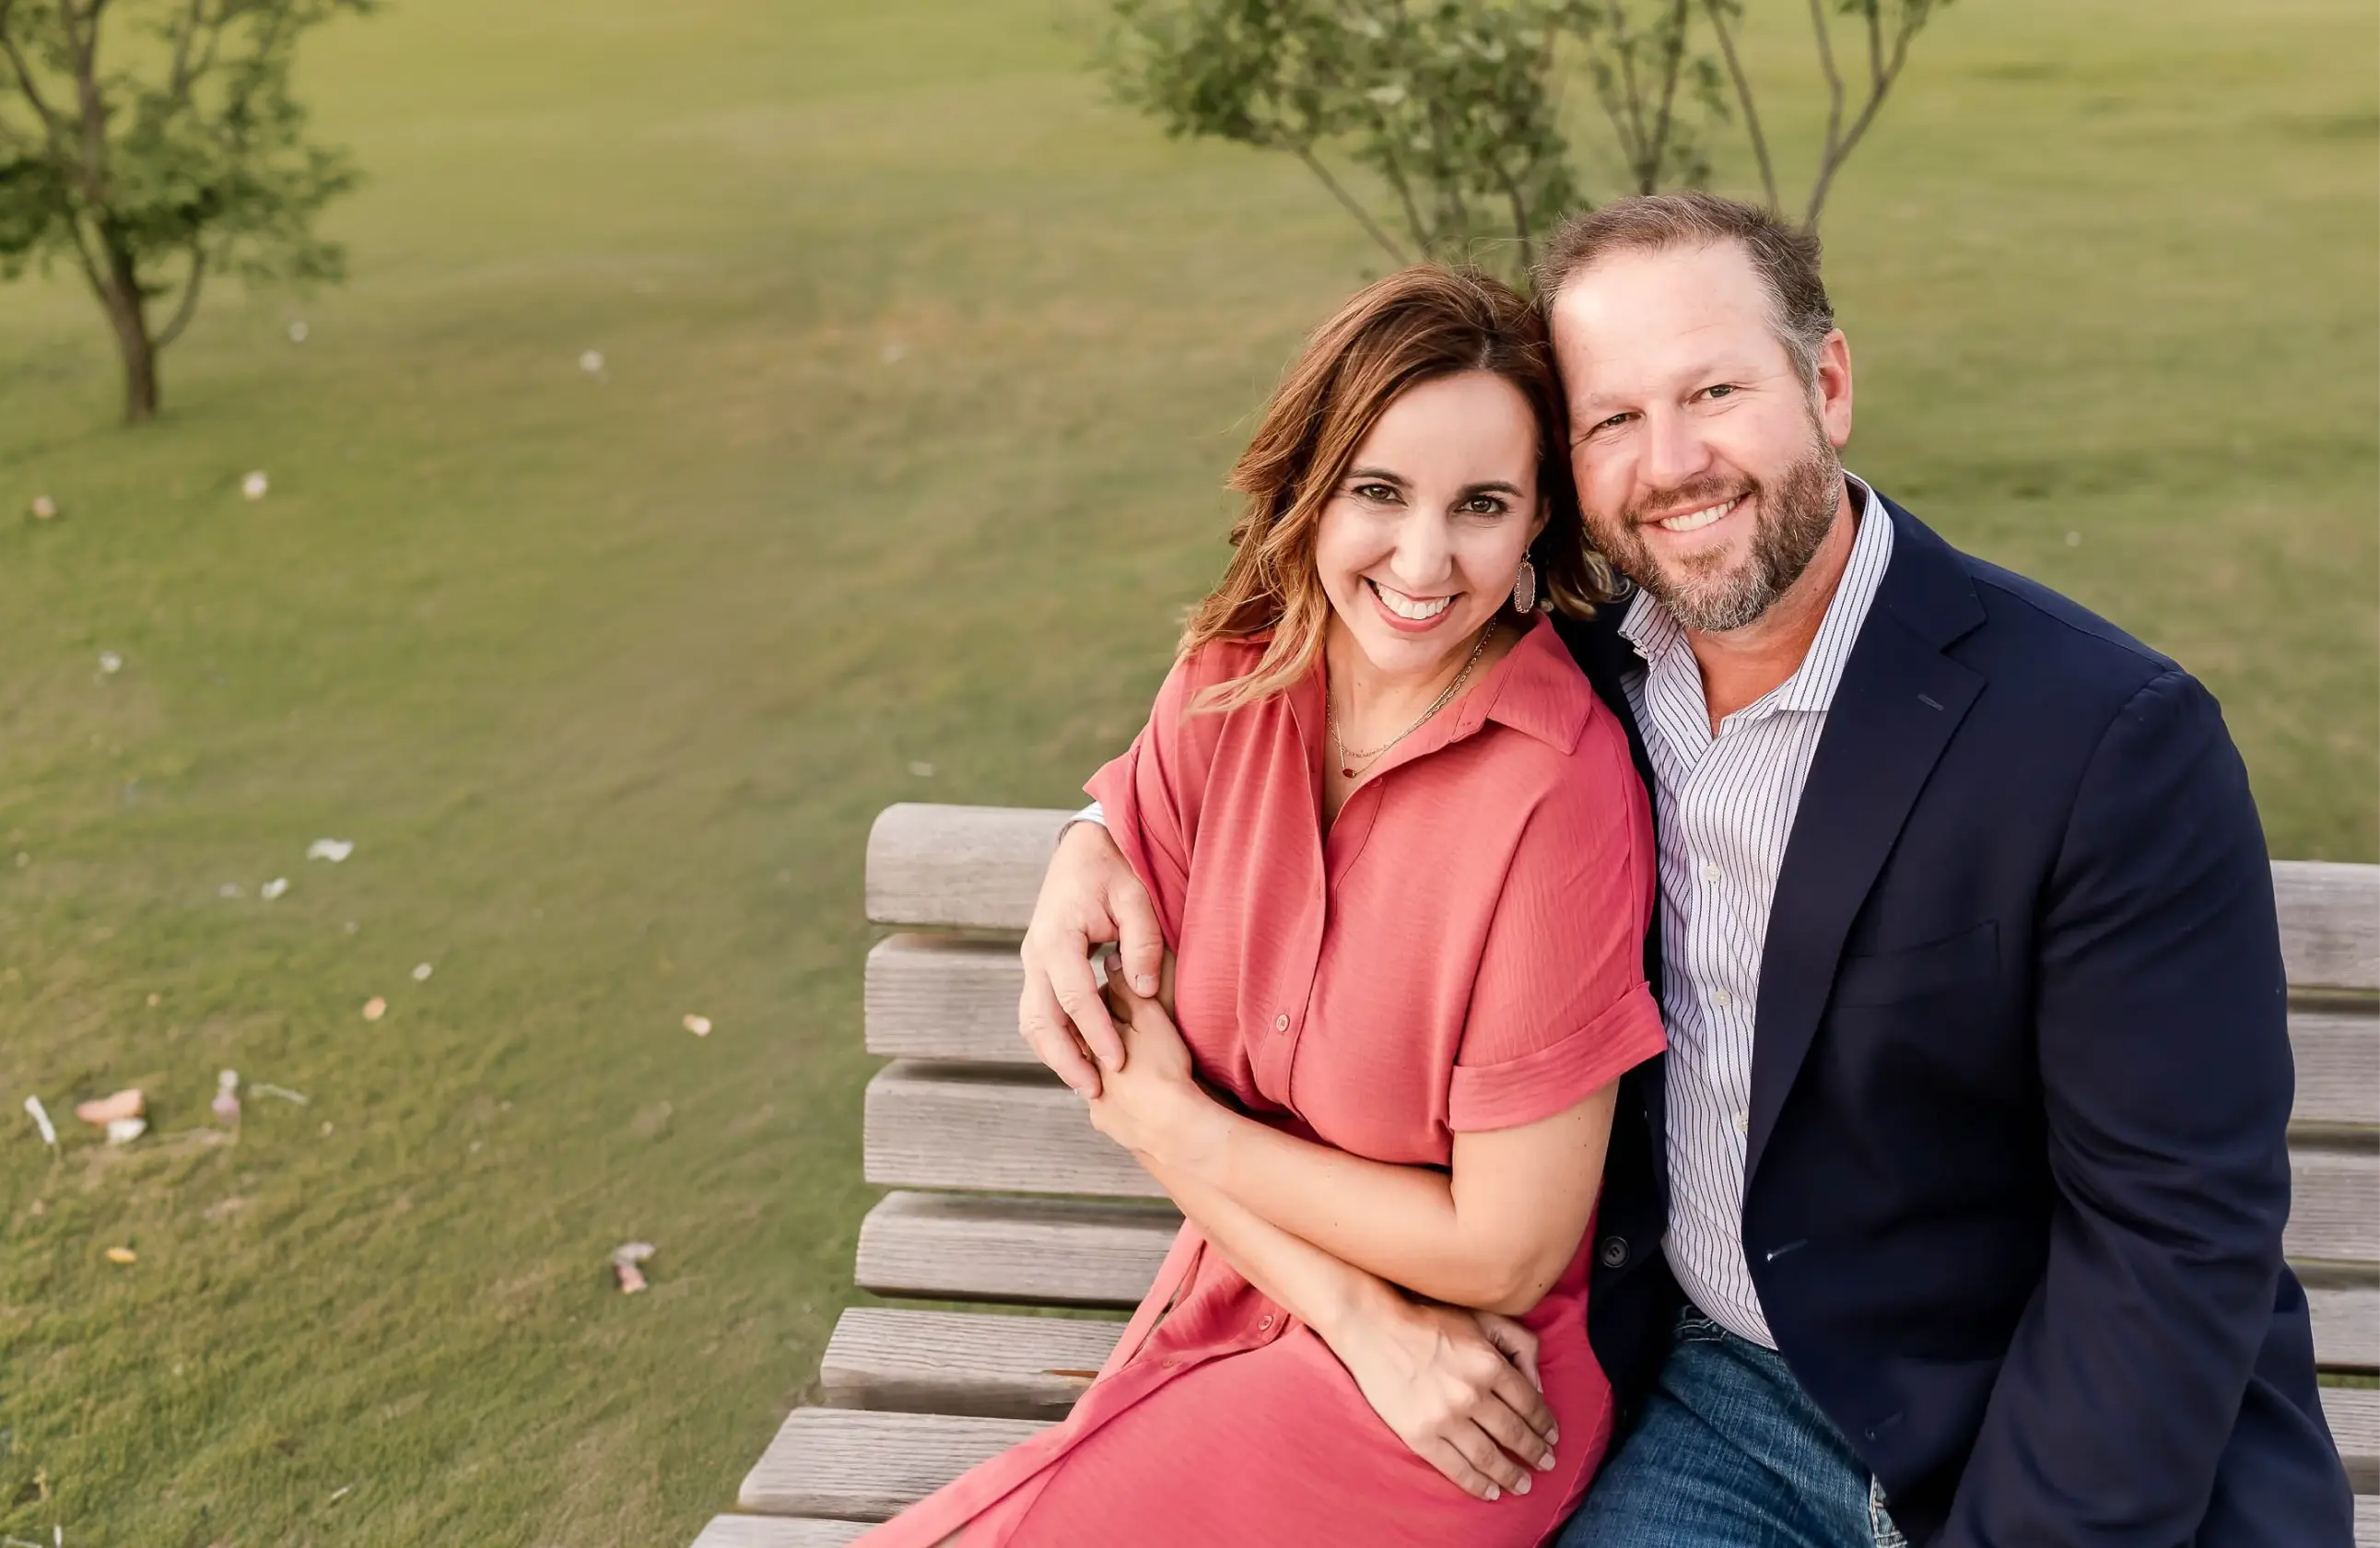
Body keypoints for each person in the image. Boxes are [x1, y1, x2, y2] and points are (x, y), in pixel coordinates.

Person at [1023, 193, 2354, 1545]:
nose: (1670, 465)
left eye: (1712, 391)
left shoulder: (2105, 740)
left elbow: (2172, 1241)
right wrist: (1093, 839)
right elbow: (1285, 670)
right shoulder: (1573, 679)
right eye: (1611, 421)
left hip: (2041, 1419)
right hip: (1723, 1410)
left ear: (1825, 385)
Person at [856, 267, 1668, 1547]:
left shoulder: (1557, 794)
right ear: (1310, 485)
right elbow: (1128, 1086)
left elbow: (1503, 1252)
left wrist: (1189, 1127)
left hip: (1460, 1400)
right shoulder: (1230, 683)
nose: (1421, 560)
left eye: (1481, 506)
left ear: (1534, 530)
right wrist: (1353, 1311)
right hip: (1273, 1310)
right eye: (1378, 493)